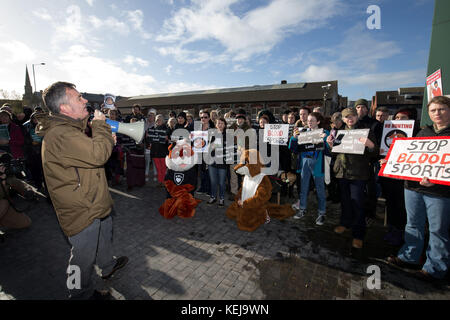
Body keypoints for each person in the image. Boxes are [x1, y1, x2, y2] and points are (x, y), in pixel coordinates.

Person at [37, 81, 128, 300]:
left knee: (105, 233)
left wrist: (104, 140)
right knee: (80, 259)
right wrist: (100, 128)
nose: (85, 100)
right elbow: (97, 155)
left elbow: (89, 155)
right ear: (65, 108)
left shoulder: (70, 129)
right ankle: (78, 293)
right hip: (81, 208)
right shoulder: (62, 134)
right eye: (79, 98)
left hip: (94, 200)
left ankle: (108, 266)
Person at [387, 96, 450, 282]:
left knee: (438, 230)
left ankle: (435, 268)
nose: (437, 113)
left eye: (442, 109)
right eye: (433, 110)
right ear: (428, 113)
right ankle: (410, 256)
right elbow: (411, 157)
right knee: (413, 224)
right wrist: (391, 162)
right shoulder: (423, 132)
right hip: (413, 187)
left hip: (440, 192)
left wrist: (437, 180)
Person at [326, 107, 378, 252]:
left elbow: (375, 151)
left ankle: (358, 234)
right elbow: (335, 152)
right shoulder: (339, 132)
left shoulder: (366, 131)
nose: (350, 119)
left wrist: (370, 145)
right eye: (347, 117)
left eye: (352, 116)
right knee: (345, 201)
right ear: (343, 119)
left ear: (357, 117)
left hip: (359, 174)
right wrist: (331, 145)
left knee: (358, 204)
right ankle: (345, 222)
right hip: (342, 172)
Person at [290, 112, 329, 225]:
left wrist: (326, 140)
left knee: (320, 189)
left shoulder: (324, 132)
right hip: (305, 162)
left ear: (318, 122)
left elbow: (329, 150)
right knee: (303, 188)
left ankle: (321, 213)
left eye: (312, 121)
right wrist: (294, 138)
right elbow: (293, 149)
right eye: (308, 121)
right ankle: (302, 209)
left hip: (317, 163)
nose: (310, 123)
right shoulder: (303, 132)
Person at [354, 99, 382, 225]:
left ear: (368, 109)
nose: (360, 110)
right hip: (356, 162)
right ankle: (358, 212)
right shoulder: (353, 123)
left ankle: (370, 214)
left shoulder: (375, 124)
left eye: (363, 107)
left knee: (371, 189)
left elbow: (378, 145)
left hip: (370, 162)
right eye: (358, 107)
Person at [207, 117, 228, 206]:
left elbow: (230, 148)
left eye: (222, 123)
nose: (220, 125)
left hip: (222, 161)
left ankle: (222, 198)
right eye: (218, 123)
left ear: (225, 125)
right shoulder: (213, 134)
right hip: (212, 161)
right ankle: (213, 197)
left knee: (221, 182)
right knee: (213, 181)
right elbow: (208, 147)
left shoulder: (228, 135)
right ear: (216, 125)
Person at [151, 115, 169, 187]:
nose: (158, 121)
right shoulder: (152, 129)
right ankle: (160, 182)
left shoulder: (166, 129)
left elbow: (169, 140)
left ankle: (164, 182)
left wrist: (167, 138)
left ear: (163, 121)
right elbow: (149, 139)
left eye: (160, 120)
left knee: (164, 168)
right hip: (155, 151)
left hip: (163, 151)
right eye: (157, 120)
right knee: (158, 168)